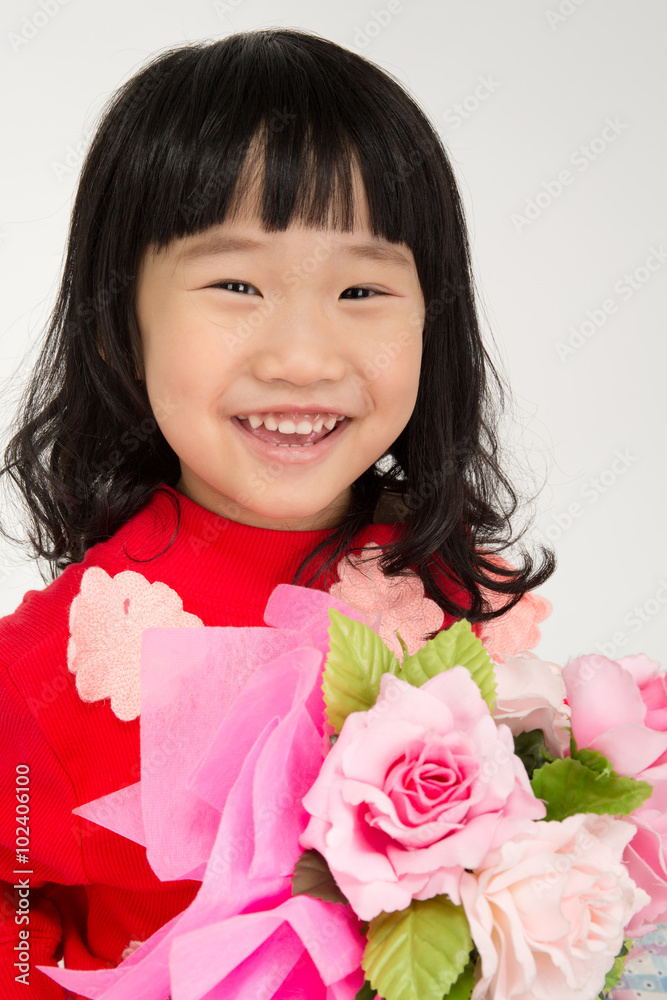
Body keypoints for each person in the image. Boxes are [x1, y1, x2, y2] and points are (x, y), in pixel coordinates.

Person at [0, 27, 554, 998]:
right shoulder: (59, 663)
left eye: (360, 288)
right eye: (237, 284)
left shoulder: (455, 588)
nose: (302, 356)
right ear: (118, 318)